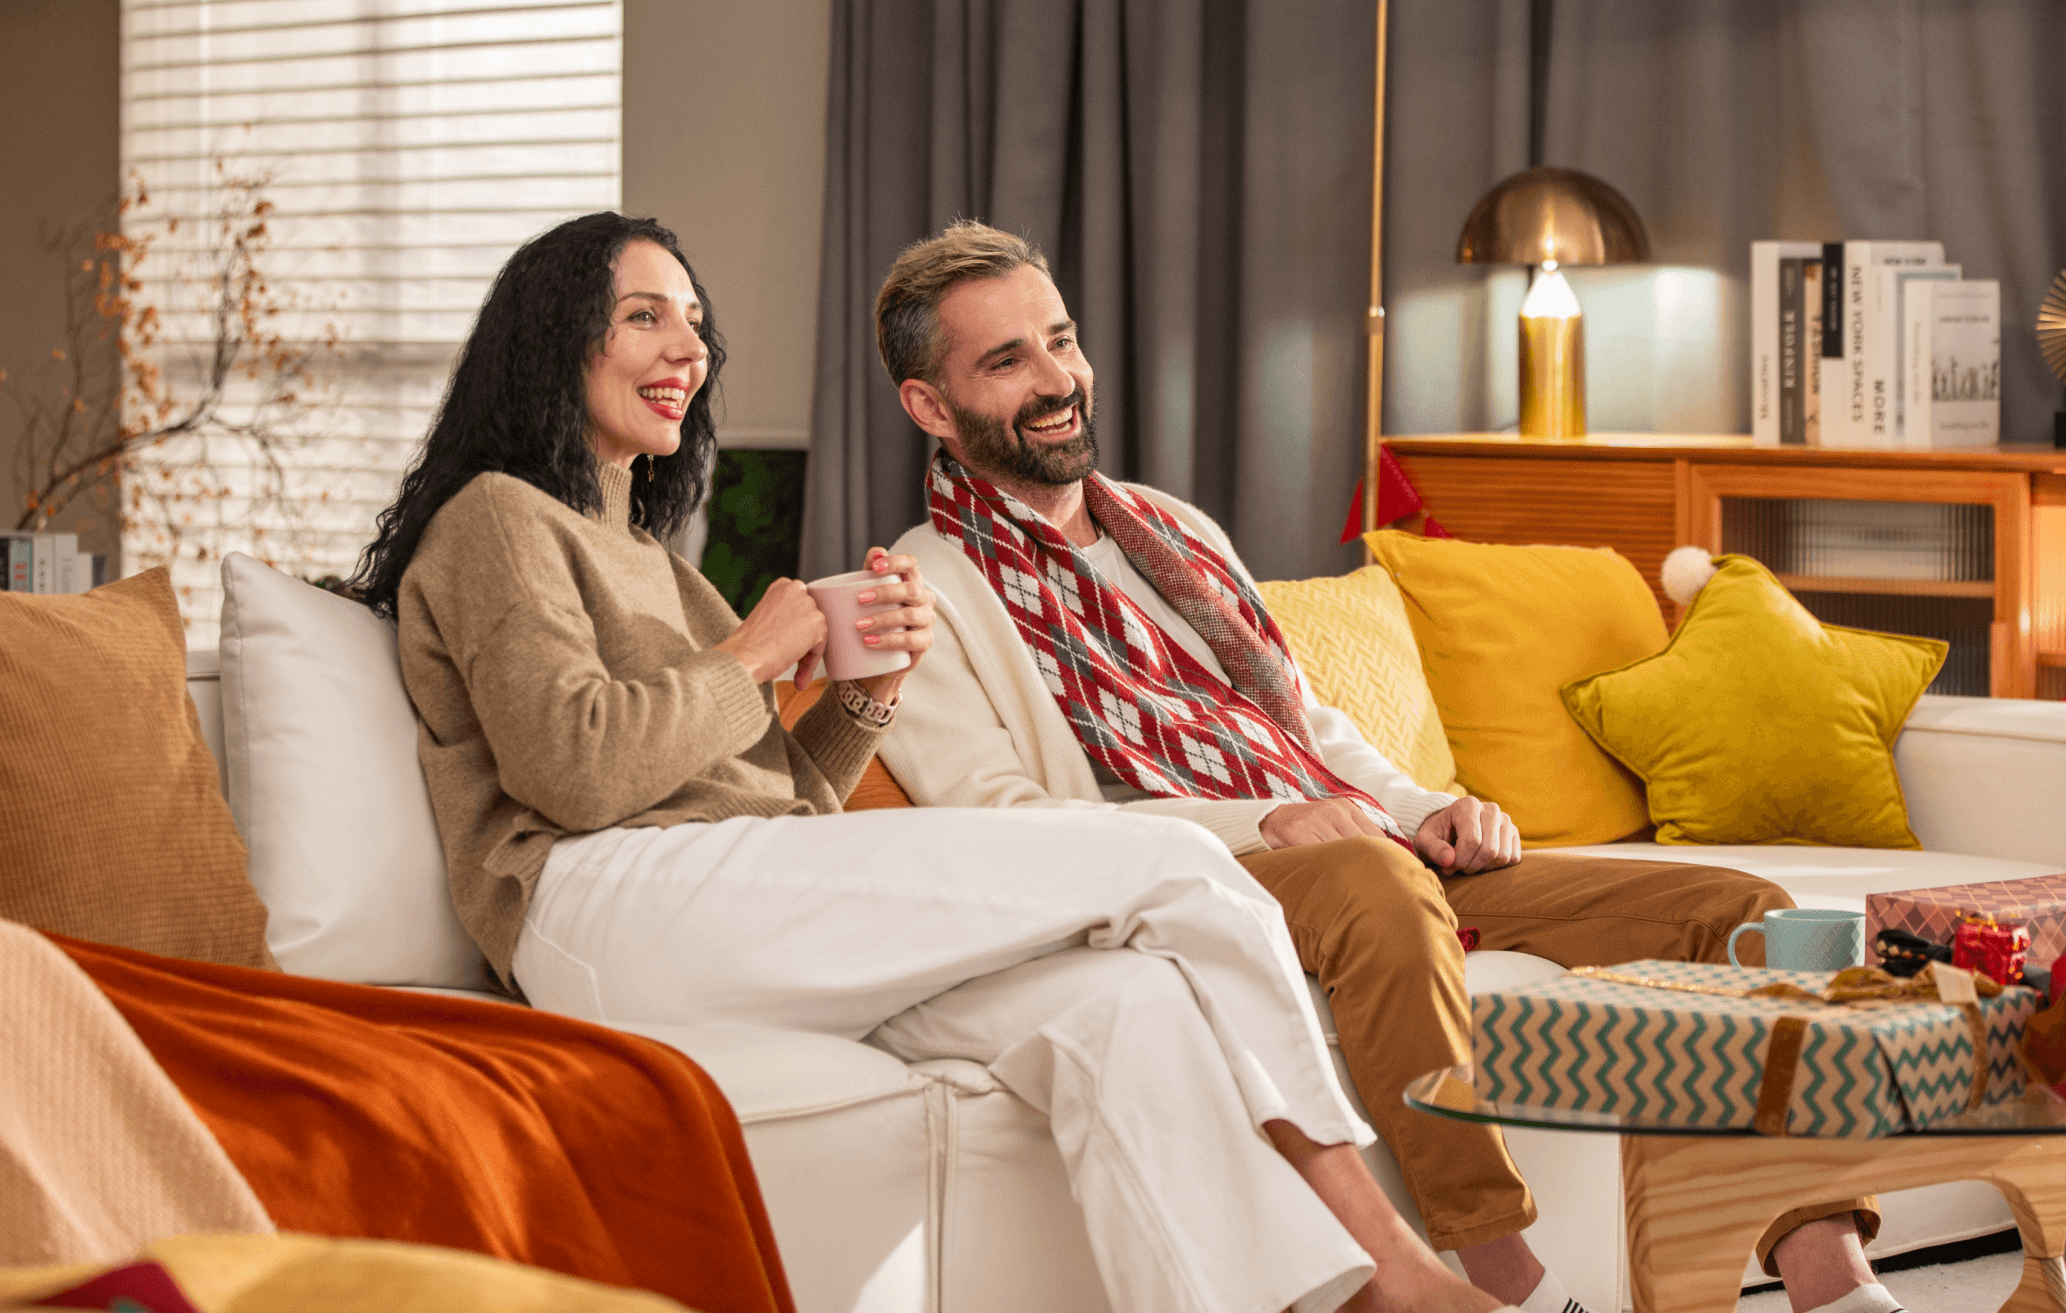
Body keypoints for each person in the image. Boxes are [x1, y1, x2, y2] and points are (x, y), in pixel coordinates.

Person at [349, 210, 1516, 1313]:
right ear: (558, 337)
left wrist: (863, 701)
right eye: (647, 314)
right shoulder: (498, 519)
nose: (687, 347)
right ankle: (1388, 1268)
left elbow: (784, 801)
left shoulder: (653, 557)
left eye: (696, 320)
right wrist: (757, 653)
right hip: (596, 902)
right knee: (1170, 868)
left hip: (719, 898)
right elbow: (577, 775)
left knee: (1128, 1008)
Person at [871, 221, 1903, 1313]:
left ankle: (1831, 1280)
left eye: (1061, 341)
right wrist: (1259, 829)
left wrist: (1426, 805)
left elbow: (1308, 722)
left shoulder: (1171, 530)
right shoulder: (916, 595)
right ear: (931, 407)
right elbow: (1009, 828)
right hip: (1189, 878)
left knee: (1744, 912)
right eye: (1007, 360)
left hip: (1360, 843)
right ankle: (1503, 1279)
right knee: (1375, 878)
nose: (1057, 380)